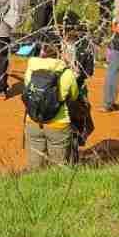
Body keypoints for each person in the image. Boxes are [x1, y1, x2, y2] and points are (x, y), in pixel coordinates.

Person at [20, 37, 87, 169]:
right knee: (58, 166)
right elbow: (73, 96)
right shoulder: (66, 73)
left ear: (42, 52)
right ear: (60, 53)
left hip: (33, 121)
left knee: (34, 166)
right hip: (58, 124)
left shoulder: (30, 70)